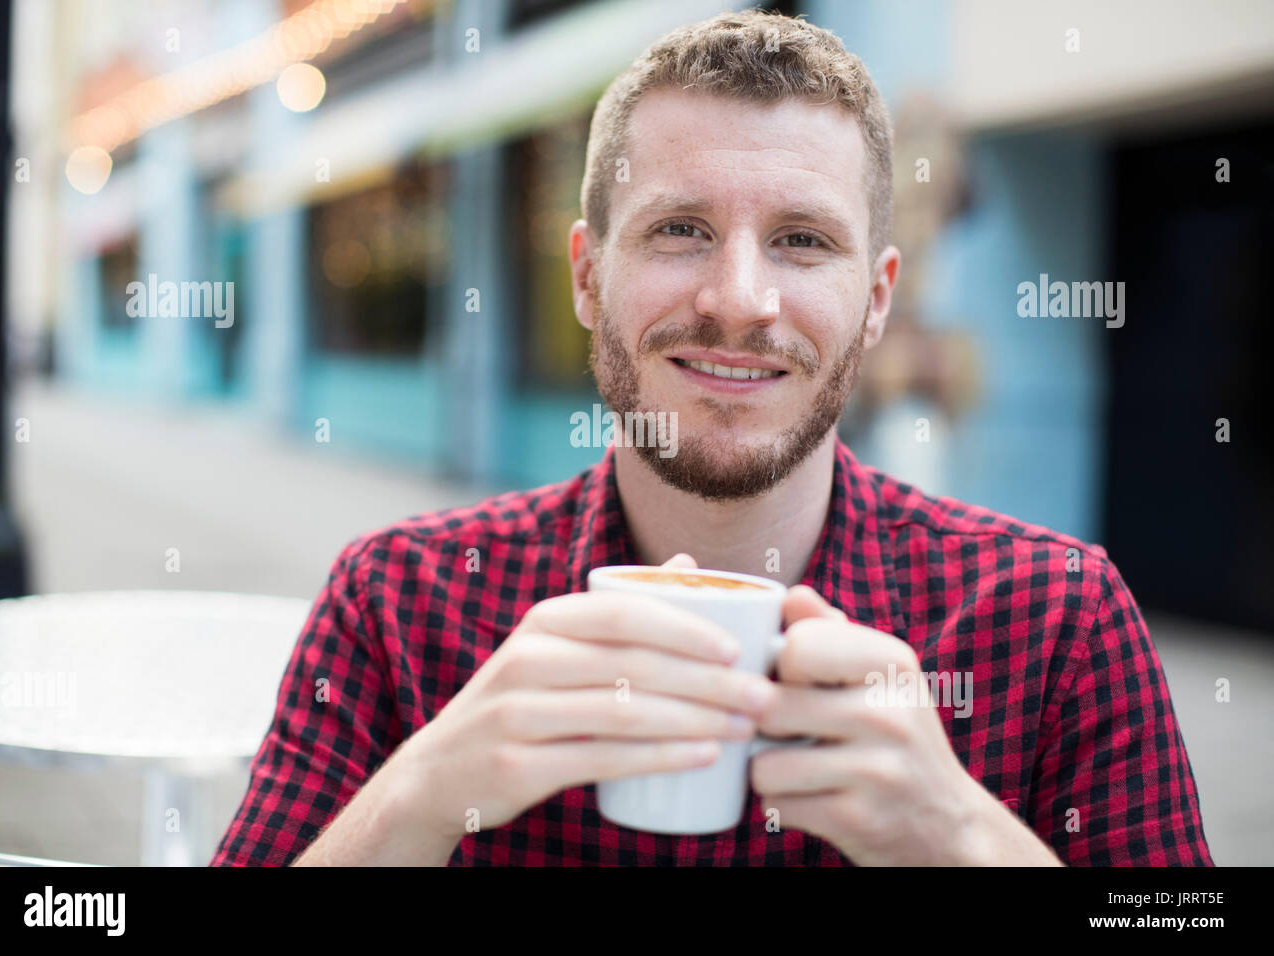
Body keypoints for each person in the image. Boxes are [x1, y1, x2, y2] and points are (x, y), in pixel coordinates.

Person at [212, 9, 1211, 866]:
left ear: (874, 301)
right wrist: (419, 792)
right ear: (587, 276)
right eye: (679, 228)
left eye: (803, 240)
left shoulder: (1056, 619)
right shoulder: (396, 604)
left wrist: (958, 834)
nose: (738, 301)